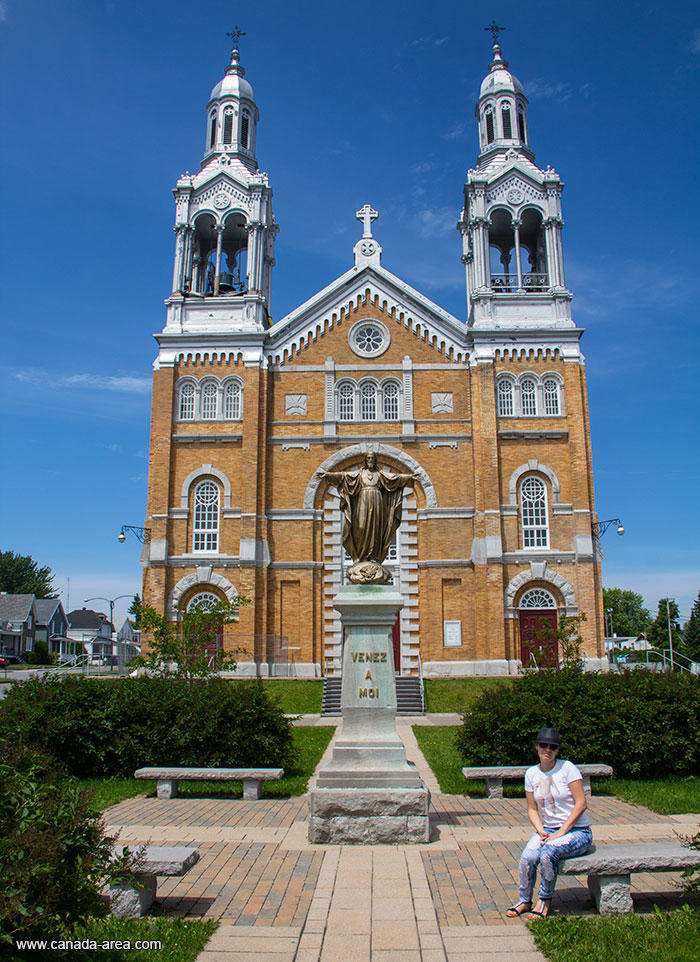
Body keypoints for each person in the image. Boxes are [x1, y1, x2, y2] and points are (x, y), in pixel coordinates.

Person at [506, 727, 593, 920]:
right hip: (548, 830)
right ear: (536, 747)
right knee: (527, 858)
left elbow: (581, 804)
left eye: (552, 747)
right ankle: (524, 900)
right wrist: (541, 830)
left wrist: (561, 831)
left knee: (547, 854)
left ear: (557, 750)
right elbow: (531, 809)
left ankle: (544, 900)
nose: (548, 750)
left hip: (577, 831)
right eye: (543, 745)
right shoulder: (531, 774)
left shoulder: (567, 768)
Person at [320, 453, 416, 567]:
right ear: (365, 460)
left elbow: (394, 478)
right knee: (361, 526)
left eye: (372, 459)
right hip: (363, 501)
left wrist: (409, 478)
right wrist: (327, 475)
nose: (370, 460)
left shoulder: (379, 475)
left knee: (376, 528)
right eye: (369, 458)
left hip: (377, 502)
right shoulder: (360, 474)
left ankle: (374, 556)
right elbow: (344, 476)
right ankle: (361, 556)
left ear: (375, 461)